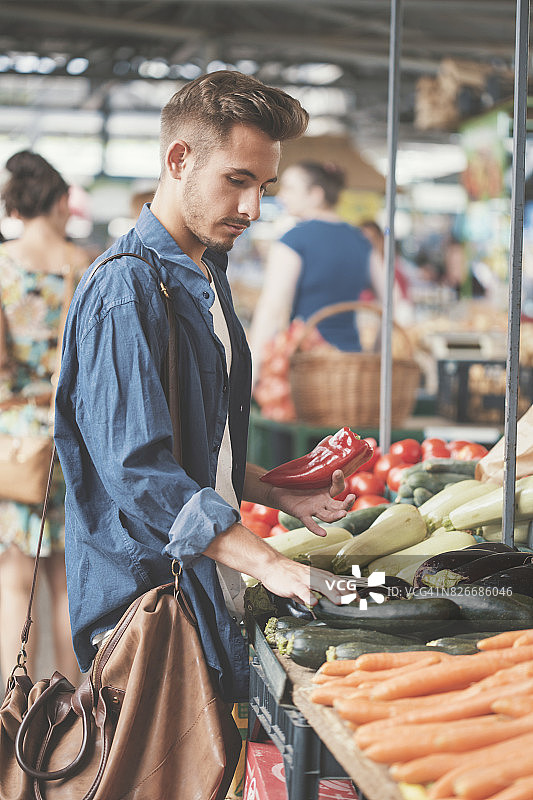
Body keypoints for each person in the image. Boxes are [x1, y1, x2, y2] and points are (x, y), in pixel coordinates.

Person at [54, 71, 354, 712]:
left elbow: (195, 442)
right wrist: (269, 562)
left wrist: (272, 488)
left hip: (203, 589)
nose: (252, 209)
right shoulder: (124, 292)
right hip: (146, 608)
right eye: (237, 181)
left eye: (264, 187)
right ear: (178, 159)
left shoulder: (205, 275)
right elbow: (138, 471)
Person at [0, 150, 89, 684]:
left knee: (16, 576)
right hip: (71, 434)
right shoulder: (84, 264)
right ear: (60, 203)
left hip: (15, 440)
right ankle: (82, 713)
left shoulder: (1, 264)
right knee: (66, 577)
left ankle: (18, 711)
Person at [248, 160, 374, 385]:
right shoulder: (361, 240)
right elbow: (395, 301)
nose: (281, 196)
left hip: (309, 367)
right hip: (354, 365)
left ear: (316, 194)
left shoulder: (294, 239)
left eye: (289, 188)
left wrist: (254, 368)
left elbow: (273, 307)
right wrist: (375, 352)